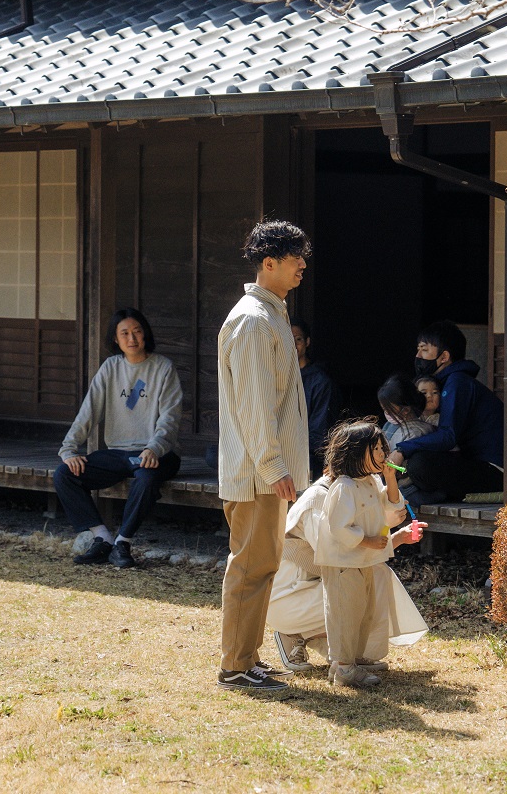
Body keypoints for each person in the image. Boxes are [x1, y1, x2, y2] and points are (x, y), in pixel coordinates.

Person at [217, 220, 314, 693]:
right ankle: (235, 666)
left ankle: (246, 659)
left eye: (303, 256)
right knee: (251, 566)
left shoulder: (270, 312)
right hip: (257, 472)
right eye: (294, 257)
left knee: (261, 566)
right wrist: (275, 467)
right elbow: (254, 406)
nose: (302, 265)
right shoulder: (254, 319)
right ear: (268, 263)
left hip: (265, 470)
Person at [268, 419, 429, 677]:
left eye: (382, 449)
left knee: (374, 577)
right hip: (290, 595)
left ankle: (349, 652)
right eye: (375, 449)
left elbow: (388, 514)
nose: (383, 455)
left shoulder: (365, 483)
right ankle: (293, 632)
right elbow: (337, 551)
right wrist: (394, 540)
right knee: (353, 592)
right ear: (355, 454)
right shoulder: (323, 496)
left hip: (321, 580)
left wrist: (395, 526)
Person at [53, 308, 183, 570]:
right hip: (119, 453)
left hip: (159, 453)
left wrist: (153, 448)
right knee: (64, 474)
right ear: (115, 339)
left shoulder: (163, 368)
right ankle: (102, 539)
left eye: (136, 331)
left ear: (145, 333)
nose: (132, 338)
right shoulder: (110, 367)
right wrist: (68, 449)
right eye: (124, 333)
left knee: (146, 478)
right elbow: (88, 412)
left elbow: (170, 418)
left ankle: (123, 543)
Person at [387, 321, 503, 504]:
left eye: (424, 350)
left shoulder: (457, 383)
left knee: (420, 465)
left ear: (444, 357)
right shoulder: (447, 382)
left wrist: (403, 449)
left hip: (495, 470)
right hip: (473, 462)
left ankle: (412, 496)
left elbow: (448, 436)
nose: (418, 356)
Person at [291, 318, 343, 474]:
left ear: (307, 342)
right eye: (288, 339)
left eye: (298, 339)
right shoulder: (276, 376)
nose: (293, 344)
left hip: (306, 453)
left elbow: (318, 434)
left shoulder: (320, 382)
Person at [377, 374, 430, 450]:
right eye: (384, 409)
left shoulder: (417, 433)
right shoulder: (389, 425)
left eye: (389, 410)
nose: (387, 413)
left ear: (406, 410)